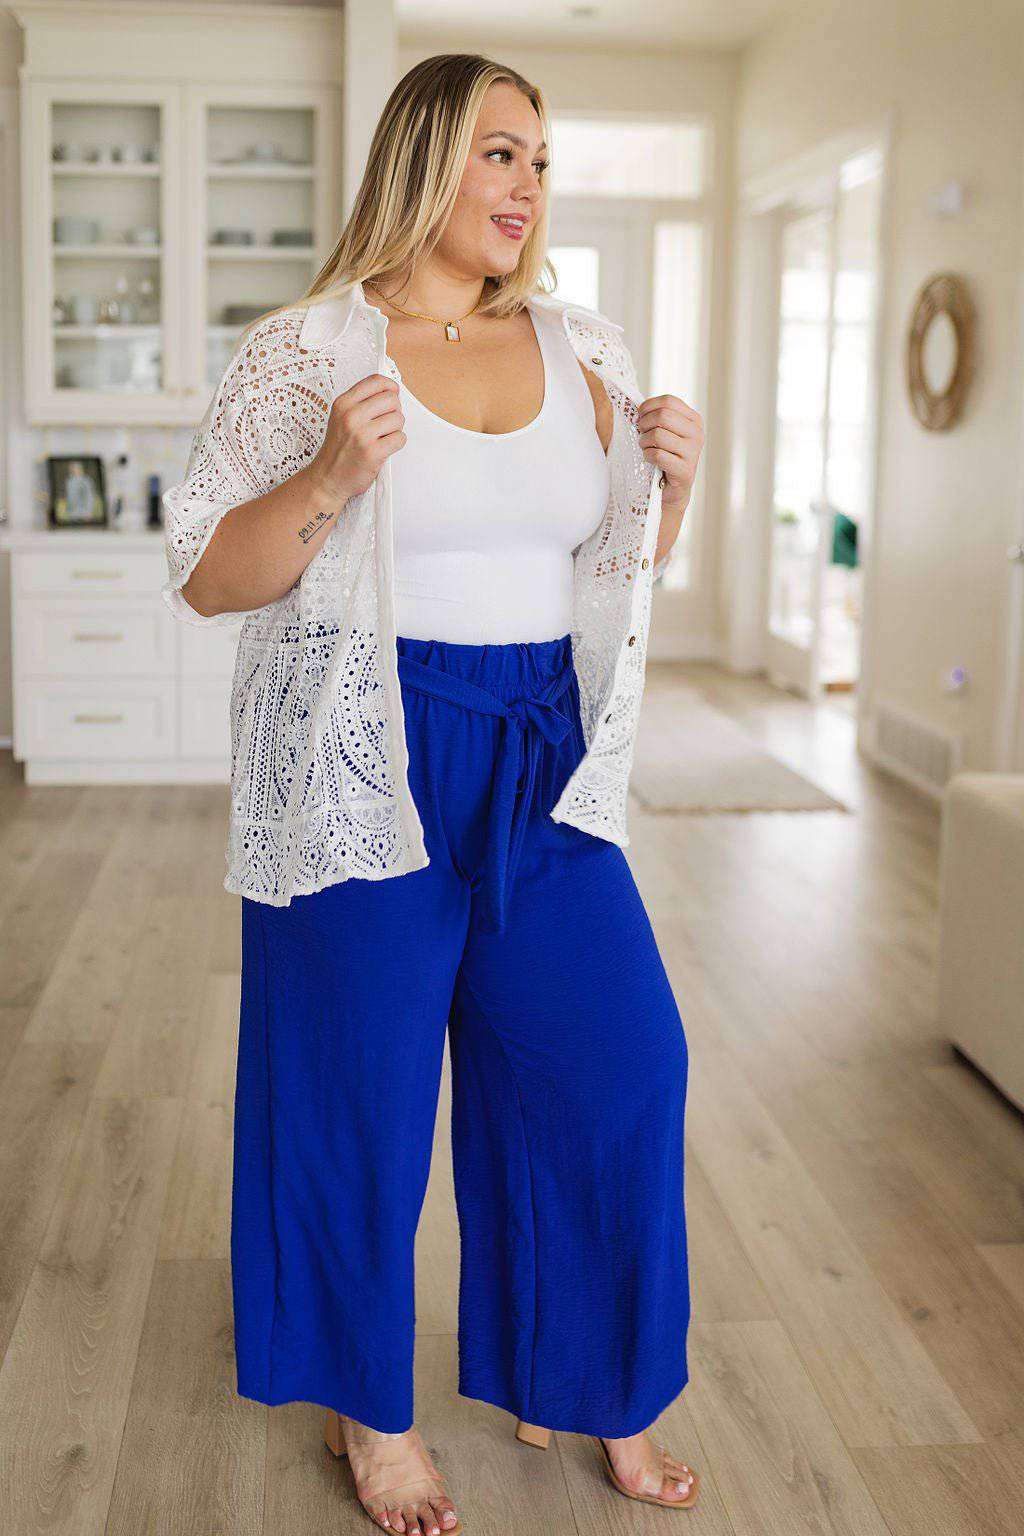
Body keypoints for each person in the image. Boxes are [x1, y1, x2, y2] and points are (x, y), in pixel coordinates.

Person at [161, 52, 705, 1536]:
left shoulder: (583, 346)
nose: (528, 186)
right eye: (499, 153)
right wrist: (331, 475)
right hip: (366, 743)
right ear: (422, 161)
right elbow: (210, 575)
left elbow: (614, 572)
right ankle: (372, 1415)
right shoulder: (307, 351)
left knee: (618, 1064)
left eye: (541, 160)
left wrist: (671, 494)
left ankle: (587, 1376)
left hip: (541, 750)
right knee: (360, 1093)